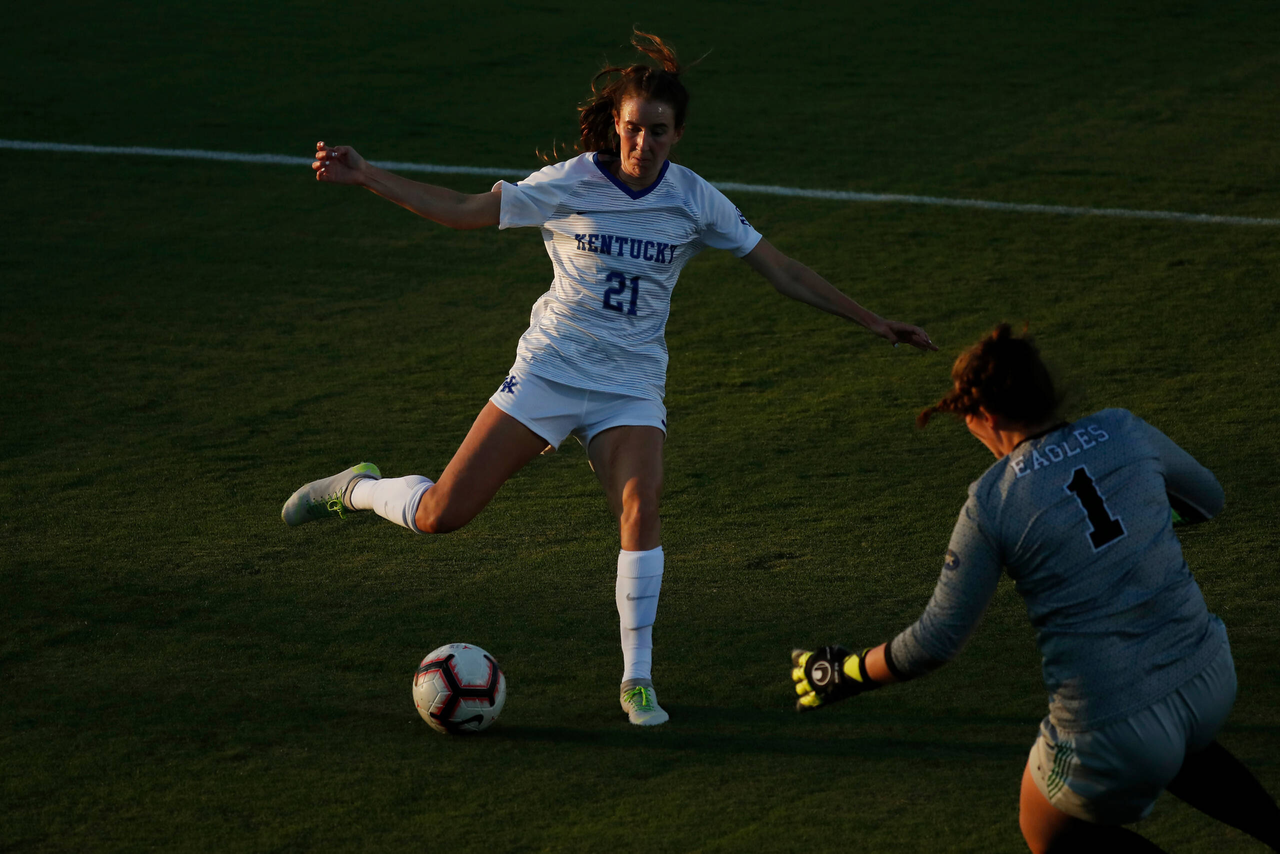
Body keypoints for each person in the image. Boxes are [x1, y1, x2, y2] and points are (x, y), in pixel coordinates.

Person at [282, 30, 937, 728]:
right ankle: (355, 488)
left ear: (677, 135)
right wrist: (370, 175)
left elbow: (781, 268)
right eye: (633, 128)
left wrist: (871, 320)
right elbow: (466, 210)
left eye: (658, 132)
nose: (643, 143)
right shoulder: (569, 183)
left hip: (629, 388)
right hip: (549, 373)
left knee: (641, 508)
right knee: (442, 514)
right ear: (615, 125)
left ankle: (637, 681)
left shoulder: (694, 200)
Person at [790, 324, 1280, 851]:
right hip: (1209, 675)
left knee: (1045, 828)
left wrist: (850, 671)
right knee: (1173, 736)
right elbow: (1209, 499)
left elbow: (936, 641)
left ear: (987, 416)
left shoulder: (994, 501)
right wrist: (1132, 525)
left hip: (1109, 728)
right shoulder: (1123, 428)